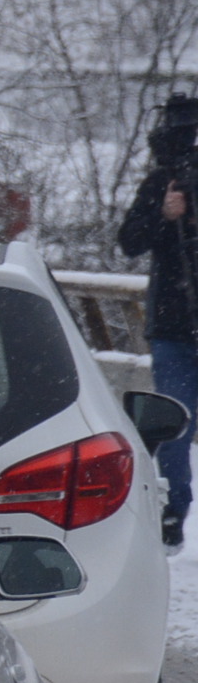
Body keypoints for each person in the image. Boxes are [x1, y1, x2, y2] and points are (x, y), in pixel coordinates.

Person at [119, 94, 198, 546]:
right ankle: (174, 514)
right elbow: (129, 241)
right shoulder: (160, 184)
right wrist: (163, 216)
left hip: (172, 324)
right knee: (173, 424)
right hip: (173, 328)